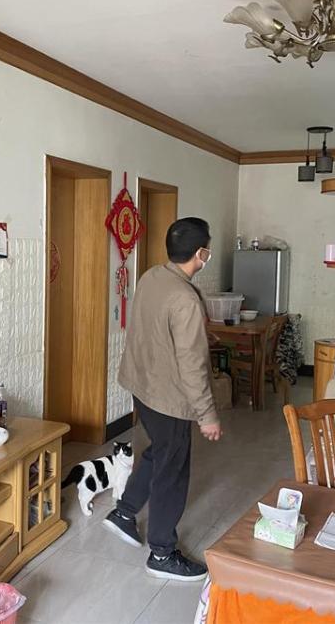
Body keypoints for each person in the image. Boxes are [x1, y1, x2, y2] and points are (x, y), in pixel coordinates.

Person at [103, 217, 221, 582]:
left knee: (160, 451)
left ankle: (124, 512)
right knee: (173, 470)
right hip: (169, 396)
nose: (207, 256)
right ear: (201, 253)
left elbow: (154, 330)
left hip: (142, 386)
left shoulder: (152, 276)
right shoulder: (185, 299)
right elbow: (192, 364)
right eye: (207, 250)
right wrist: (207, 414)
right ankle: (162, 553)